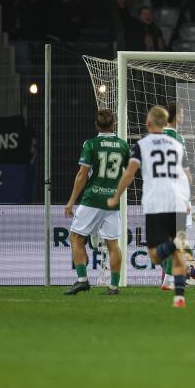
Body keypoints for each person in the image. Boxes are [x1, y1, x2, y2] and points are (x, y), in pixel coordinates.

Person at [107, 106, 191, 308]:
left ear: (148, 123)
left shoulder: (142, 145)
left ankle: (174, 245)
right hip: (178, 201)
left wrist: (116, 196)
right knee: (178, 252)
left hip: (156, 203)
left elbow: (129, 173)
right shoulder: (178, 144)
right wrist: (187, 200)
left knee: (154, 256)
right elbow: (187, 175)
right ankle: (179, 297)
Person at [63, 109, 130, 296]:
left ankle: (82, 280)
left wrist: (71, 201)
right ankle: (114, 286)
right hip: (112, 201)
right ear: (114, 124)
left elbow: (82, 174)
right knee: (113, 244)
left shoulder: (90, 144)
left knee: (76, 237)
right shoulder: (123, 146)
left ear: (96, 125)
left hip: (92, 199)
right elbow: (128, 173)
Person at [159, 101, 193, 291]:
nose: (183, 116)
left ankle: (166, 280)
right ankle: (169, 280)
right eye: (182, 113)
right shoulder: (177, 138)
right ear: (176, 116)